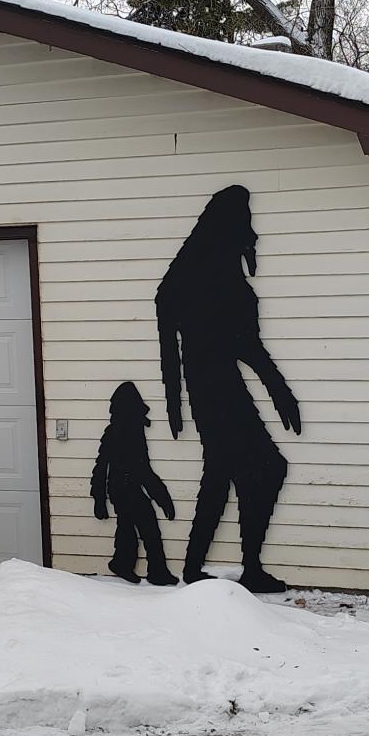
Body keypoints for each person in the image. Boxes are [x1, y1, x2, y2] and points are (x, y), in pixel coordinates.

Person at [155, 184, 300, 591]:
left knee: (220, 475)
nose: (252, 234)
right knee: (267, 468)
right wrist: (173, 401)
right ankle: (248, 567)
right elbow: (236, 344)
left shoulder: (206, 271)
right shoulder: (206, 275)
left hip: (216, 390)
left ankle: (196, 567)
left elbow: (243, 345)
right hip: (215, 392)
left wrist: (279, 392)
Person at [91, 381, 178, 585]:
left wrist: (161, 496)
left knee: (129, 526)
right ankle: (154, 570)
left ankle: (124, 563)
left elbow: (143, 468)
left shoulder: (134, 430)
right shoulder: (116, 432)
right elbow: (101, 467)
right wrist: (99, 500)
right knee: (146, 526)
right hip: (121, 488)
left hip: (129, 486)